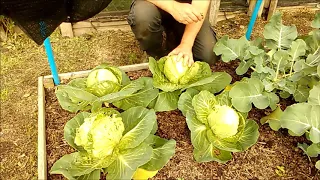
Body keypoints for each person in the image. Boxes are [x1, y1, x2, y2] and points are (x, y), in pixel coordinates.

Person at [127, 0, 219, 67]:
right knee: (143, 17)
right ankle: (157, 55)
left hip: (187, 8)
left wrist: (186, 44)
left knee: (208, 55)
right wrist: (172, 6)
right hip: (152, 3)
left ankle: (177, 41)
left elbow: (201, 3)